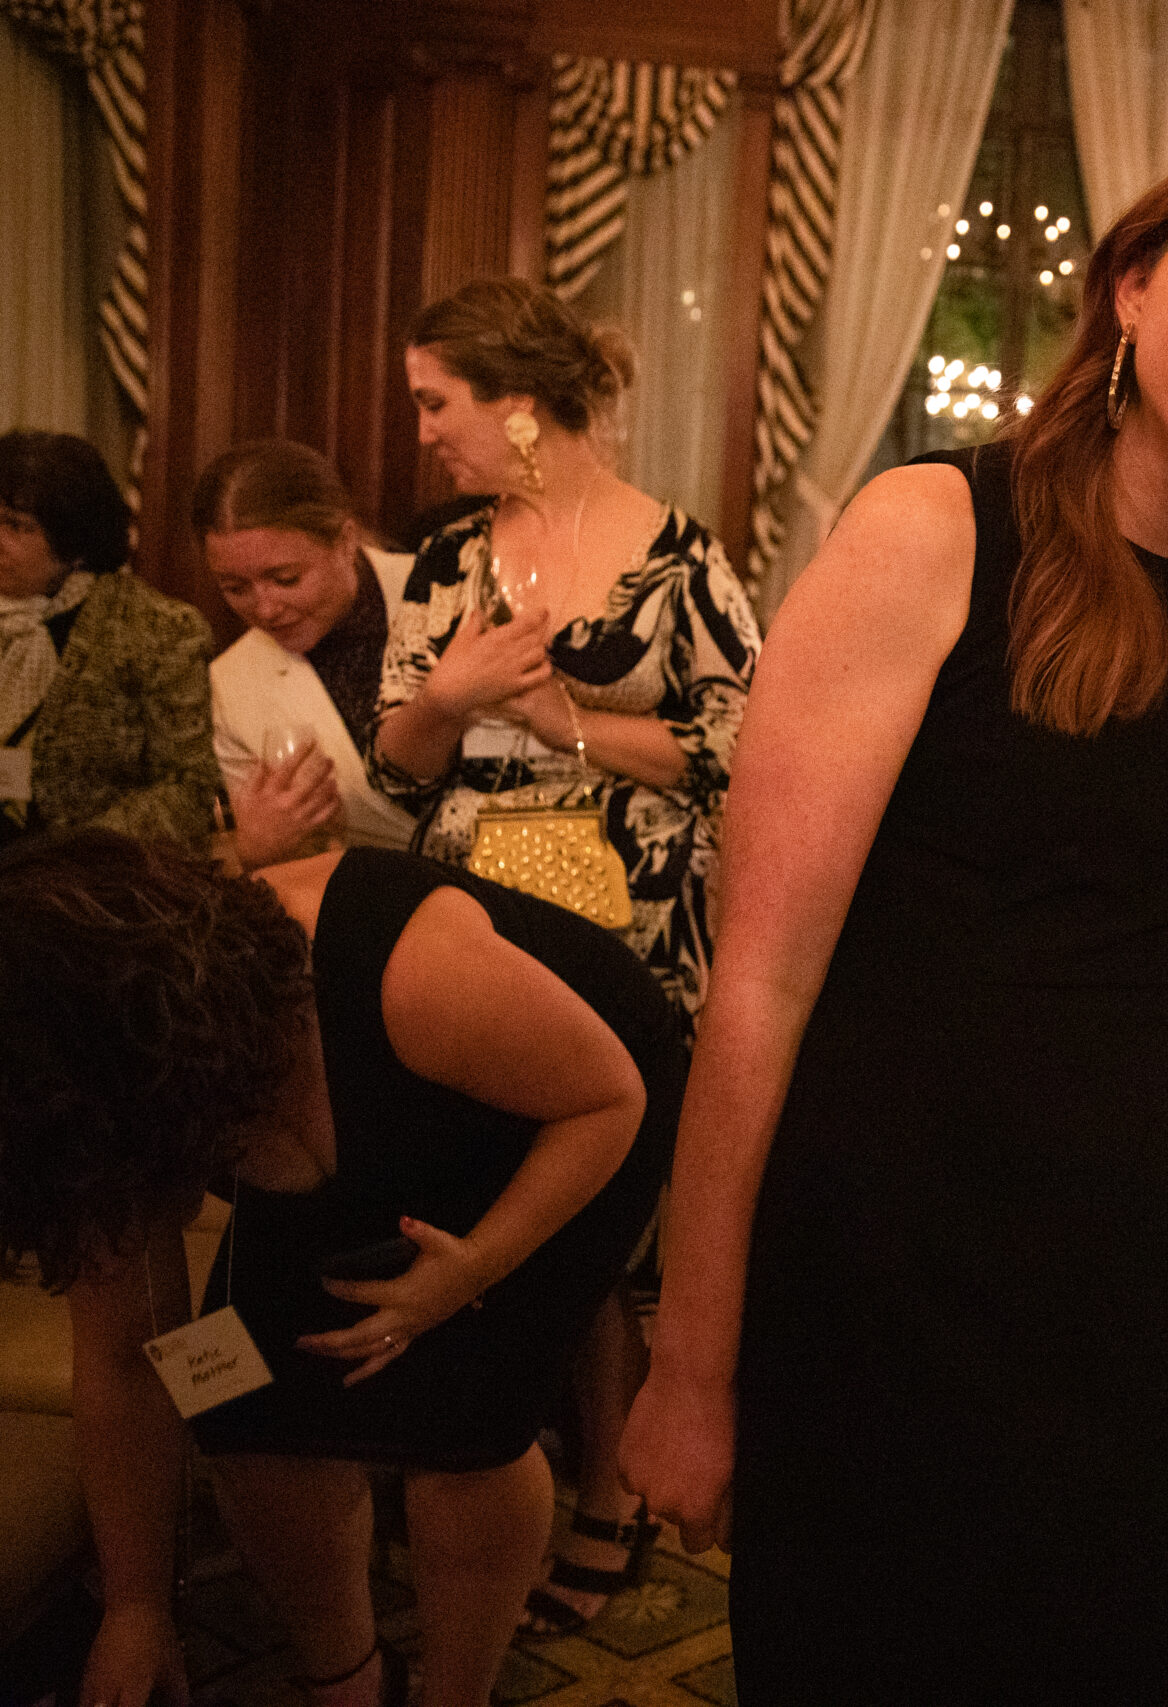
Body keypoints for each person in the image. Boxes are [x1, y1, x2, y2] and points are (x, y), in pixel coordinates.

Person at [617, 123, 1168, 1702]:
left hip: (1148, 1275)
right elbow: (756, 982)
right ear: (1131, 283)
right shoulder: (937, 528)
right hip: (887, 1259)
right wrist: (693, 1360)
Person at [0, 832, 686, 1707]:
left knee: (464, 1425)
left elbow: (608, 1097)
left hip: (573, 1109)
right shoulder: (94, 1099)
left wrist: (469, 1268)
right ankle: (352, 1682)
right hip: (375, 1119)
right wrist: (136, 1606)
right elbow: (128, 1360)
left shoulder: (400, 966)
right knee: (247, 1413)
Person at [372, 276, 760, 1635]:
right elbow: (396, 763)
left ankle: (607, 1491)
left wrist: (564, 725)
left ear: (520, 411)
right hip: (469, 940)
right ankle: (485, 1468)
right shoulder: (441, 561)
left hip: (633, 934)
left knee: (604, 1236)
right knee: (483, 1201)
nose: (423, 429)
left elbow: (742, 753)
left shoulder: (685, 560)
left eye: (438, 401)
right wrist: (446, 700)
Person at [197, 439, 417, 868]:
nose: (264, 609)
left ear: (345, 540)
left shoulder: (443, 587)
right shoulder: (233, 684)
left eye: (285, 578)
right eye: (235, 588)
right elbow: (286, 869)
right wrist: (260, 849)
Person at [0, 429, 220, 849]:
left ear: (73, 541)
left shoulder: (157, 630)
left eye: (14, 525)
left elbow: (188, 790)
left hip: (91, 885)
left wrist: (75, 850)